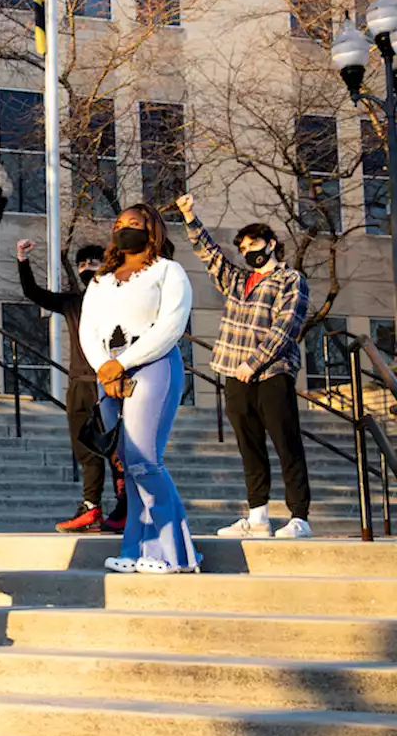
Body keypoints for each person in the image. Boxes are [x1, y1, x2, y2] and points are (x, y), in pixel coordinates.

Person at [177, 193, 313, 539]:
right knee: (248, 444)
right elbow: (210, 255)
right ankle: (258, 517)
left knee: (286, 441)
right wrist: (190, 215)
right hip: (234, 372)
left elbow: (287, 327)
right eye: (243, 246)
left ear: (271, 243)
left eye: (254, 242)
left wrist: (253, 363)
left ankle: (299, 516)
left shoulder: (291, 280)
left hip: (272, 372)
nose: (248, 249)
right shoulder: (238, 280)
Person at [79, 204, 201, 575]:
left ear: (152, 231)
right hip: (108, 374)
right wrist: (104, 367)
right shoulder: (101, 279)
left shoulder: (169, 272)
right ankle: (135, 549)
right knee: (128, 466)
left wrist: (123, 363)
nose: (124, 229)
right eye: (118, 224)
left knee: (145, 460)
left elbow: (171, 326)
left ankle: (175, 553)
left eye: (134, 224)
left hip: (153, 365)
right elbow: (88, 328)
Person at [17, 239, 127, 533]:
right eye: (82, 263)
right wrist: (23, 260)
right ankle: (91, 508)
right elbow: (34, 293)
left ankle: (125, 506)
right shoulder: (72, 303)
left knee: (117, 449)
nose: (87, 268)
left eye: (93, 262)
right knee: (85, 448)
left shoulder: (120, 301)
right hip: (78, 383)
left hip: (108, 383)